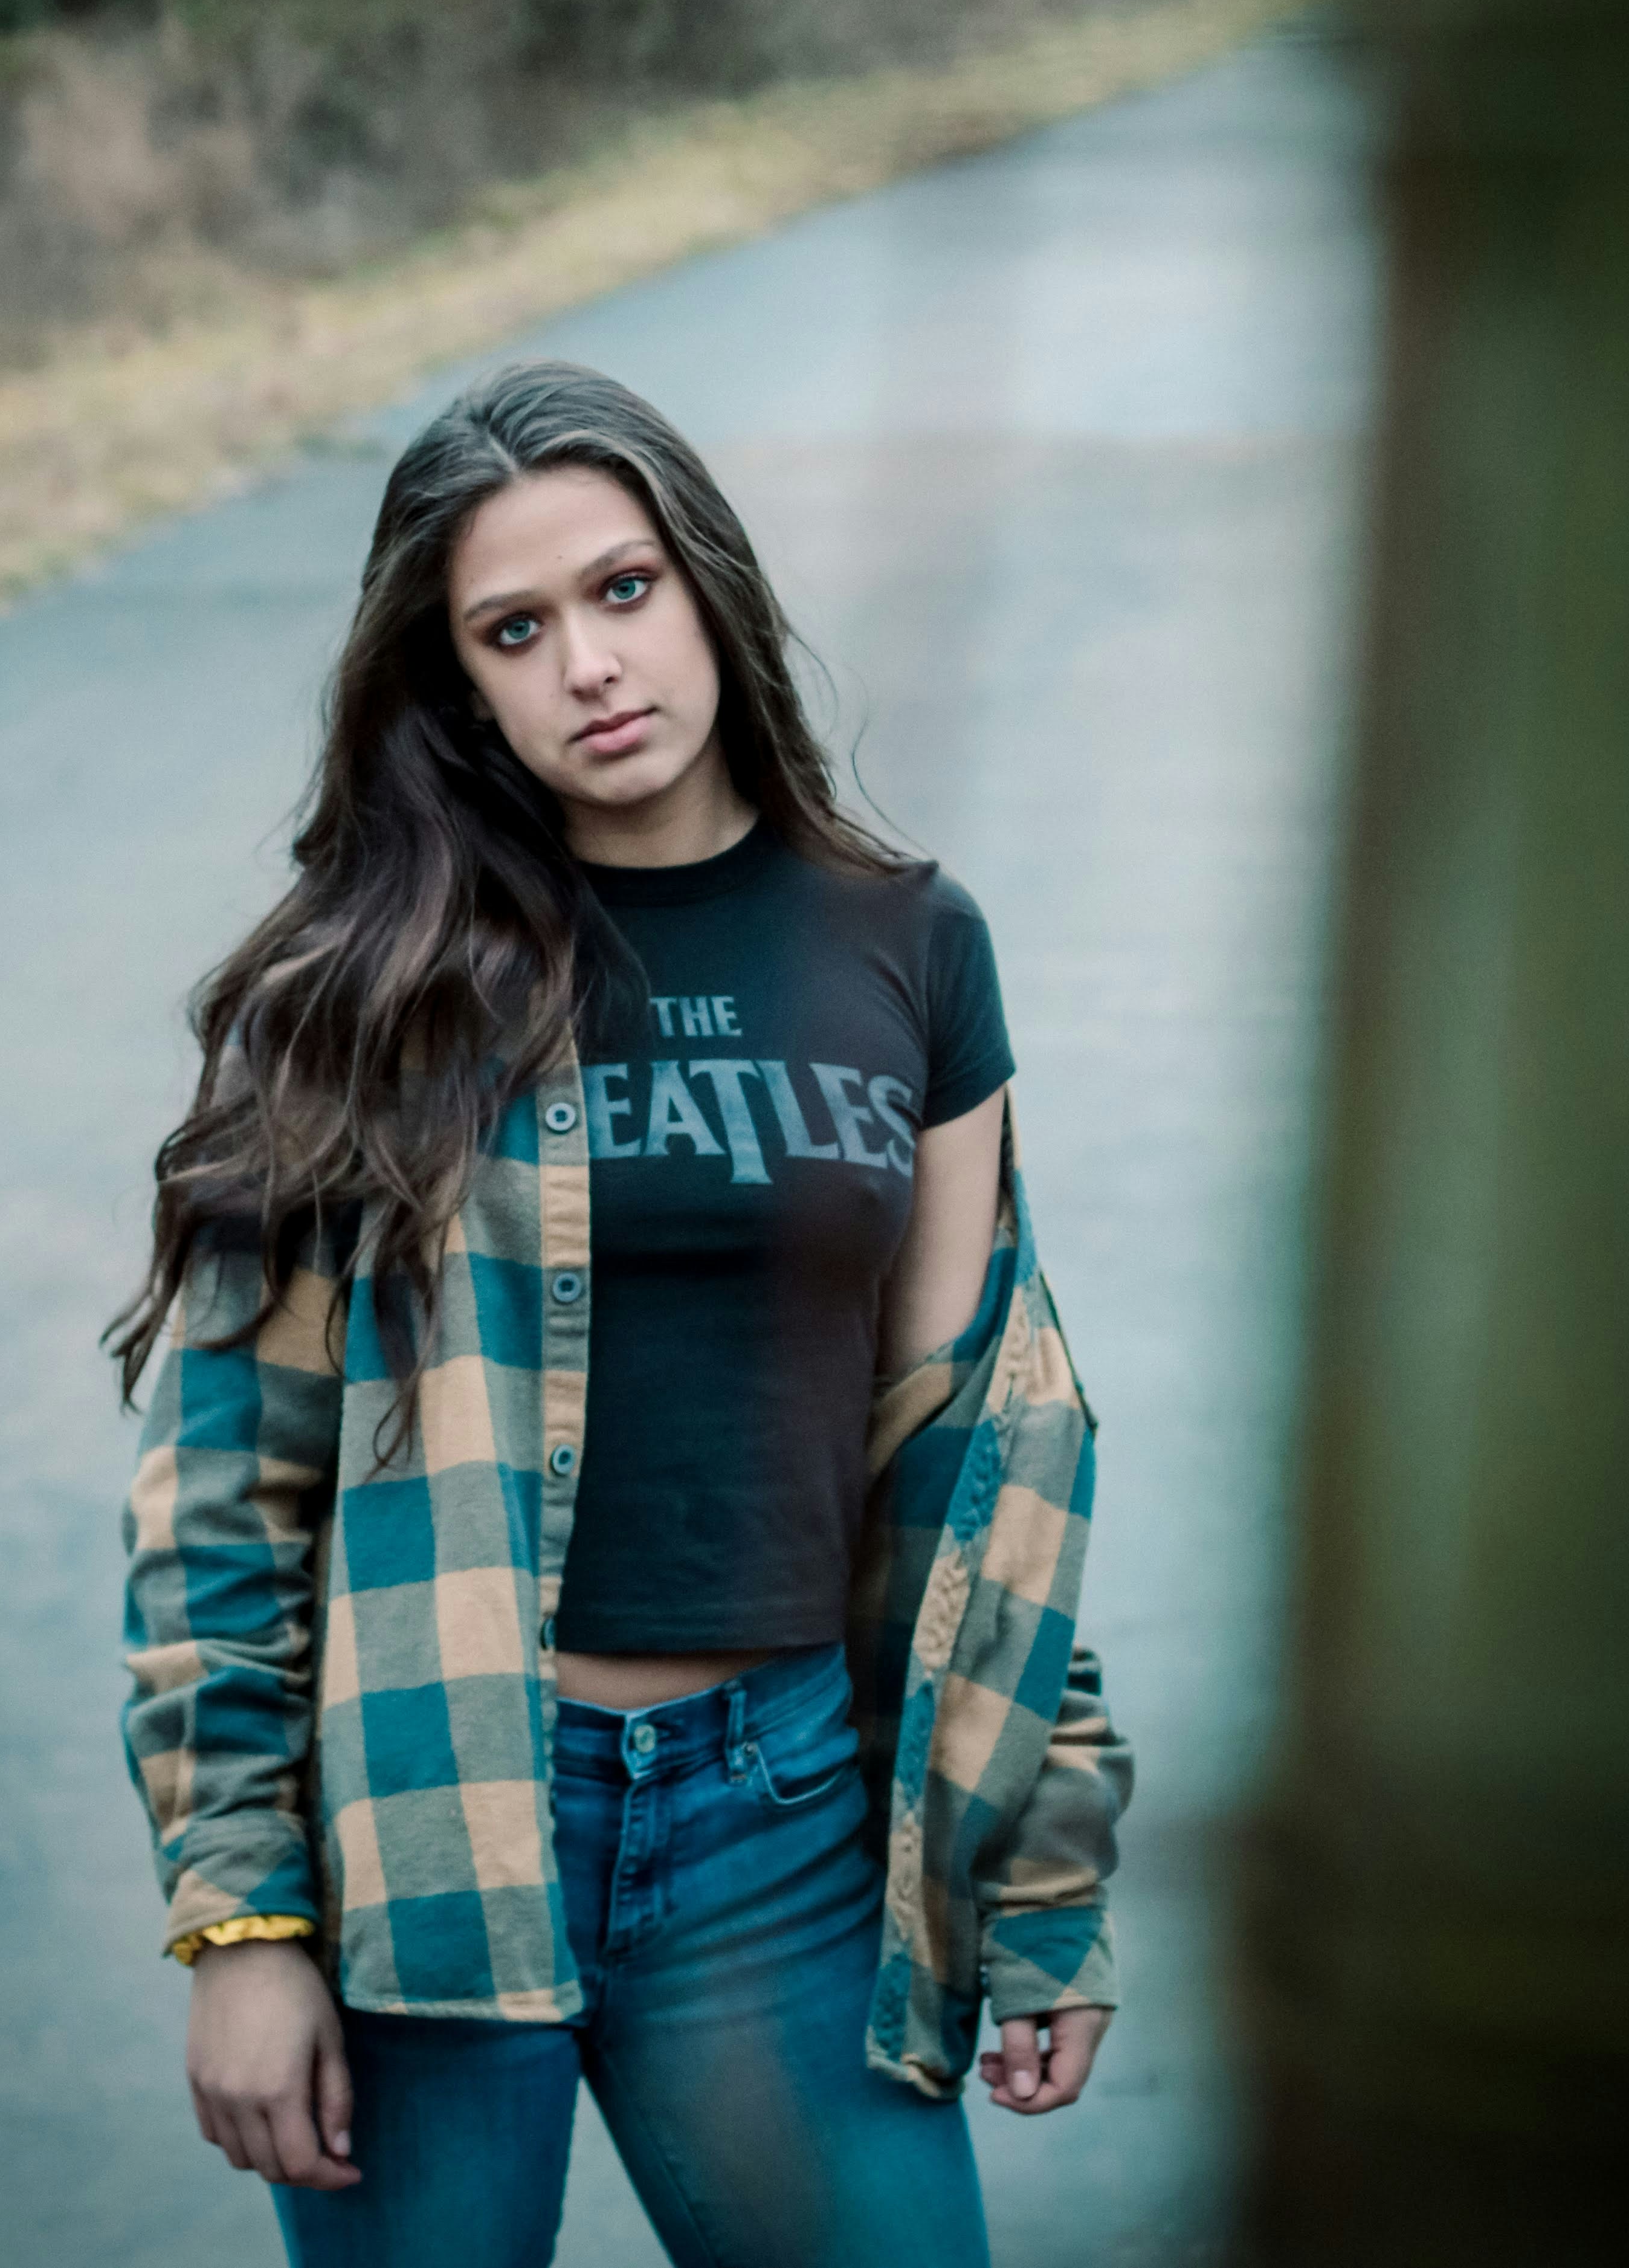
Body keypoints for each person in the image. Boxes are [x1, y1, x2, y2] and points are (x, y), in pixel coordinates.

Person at [114, 360, 1132, 2268]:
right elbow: (223, 1498)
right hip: (429, 1835)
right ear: (457, 685)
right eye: (512, 629)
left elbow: (986, 1451)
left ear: (706, 586)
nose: (587, 662)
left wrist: (1039, 1875)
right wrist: (239, 1920)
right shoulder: (358, 993)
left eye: (621, 587)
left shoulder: (910, 944)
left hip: (779, 1830)